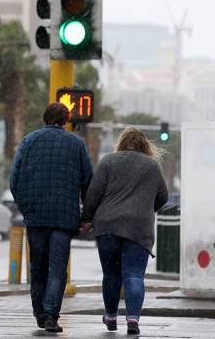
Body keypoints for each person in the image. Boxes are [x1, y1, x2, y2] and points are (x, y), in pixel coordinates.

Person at [9, 102, 93, 333]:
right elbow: (88, 182)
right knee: (57, 269)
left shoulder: (29, 141)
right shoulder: (76, 144)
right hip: (64, 218)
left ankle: (39, 312)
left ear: (45, 118)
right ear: (65, 121)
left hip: (35, 216)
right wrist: (86, 215)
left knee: (38, 267)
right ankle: (50, 315)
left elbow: (14, 179)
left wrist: (26, 206)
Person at [80, 127, 169, 336]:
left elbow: (93, 193)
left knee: (111, 274)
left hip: (108, 225)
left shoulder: (108, 161)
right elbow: (163, 197)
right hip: (139, 227)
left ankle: (111, 317)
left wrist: (86, 219)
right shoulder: (152, 166)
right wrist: (145, 209)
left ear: (122, 142)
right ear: (145, 145)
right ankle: (132, 319)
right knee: (134, 274)